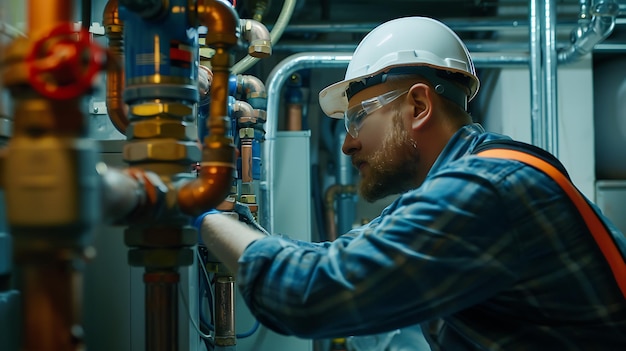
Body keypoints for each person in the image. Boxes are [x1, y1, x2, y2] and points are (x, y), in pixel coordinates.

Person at [197, 16, 626, 350]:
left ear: (419, 105)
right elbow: (339, 259)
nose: (347, 144)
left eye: (357, 118)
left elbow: (312, 295)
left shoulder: (485, 189)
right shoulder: (472, 176)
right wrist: (236, 223)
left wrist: (197, 215)